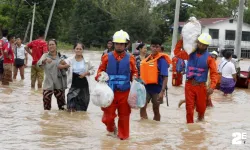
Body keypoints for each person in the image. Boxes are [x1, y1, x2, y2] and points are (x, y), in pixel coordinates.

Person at [95, 30, 138, 140]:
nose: (119, 46)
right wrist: (100, 76)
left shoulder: (131, 58)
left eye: (121, 44)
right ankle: (111, 128)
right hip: (109, 93)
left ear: (126, 44)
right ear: (114, 44)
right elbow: (99, 72)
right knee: (107, 118)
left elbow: (135, 72)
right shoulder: (106, 57)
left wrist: (135, 78)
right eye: (117, 43)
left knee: (124, 117)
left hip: (125, 93)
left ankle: (123, 140)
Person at [174, 33, 217, 123]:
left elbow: (214, 74)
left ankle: (200, 126)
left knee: (201, 109)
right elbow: (177, 53)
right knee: (189, 109)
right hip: (189, 85)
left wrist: (212, 87)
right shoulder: (189, 53)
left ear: (206, 46)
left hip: (201, 87)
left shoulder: (210, 58)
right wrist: (181, 40)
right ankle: (190, 128)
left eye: (203, 45)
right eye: (200, 43)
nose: (201, 46)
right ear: (197, 42)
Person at [140, 39, 171, 121]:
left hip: (157, 89)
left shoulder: (162, 61)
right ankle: (145, 127)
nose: (154, 49)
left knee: (156, 109)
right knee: (142, 106)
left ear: (160, 48)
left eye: (157, 47)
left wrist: (162, 92)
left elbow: (165, 77)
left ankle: (156, 127)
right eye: (153, 46)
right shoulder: (148, 58)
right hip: (146, 87)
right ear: (150, 47)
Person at [58, 43, 95, 112]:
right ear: (74, 50)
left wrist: (86, 73)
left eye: (80, 49)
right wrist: (64, 65)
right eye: (77, 49)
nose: (78, 50)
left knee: (82, 107)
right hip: (73, 84)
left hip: (84, 85)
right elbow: (59, 65)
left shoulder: (86, 60)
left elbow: (93, 69)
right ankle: (71, 120)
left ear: (83, 50)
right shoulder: (70, 60)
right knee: (70, 102)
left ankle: (80, 121)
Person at [37, 39, 67, 110]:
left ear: (56, 45)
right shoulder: (45, 55)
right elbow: (38, 64)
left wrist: (64, 65)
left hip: (59, 83)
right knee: (46, 108)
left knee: (62, 107)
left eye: (52, 44)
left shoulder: (61, 56)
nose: (51, 46)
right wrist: (44, 61)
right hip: (48, 83)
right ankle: (47, 120)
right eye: (49, 45)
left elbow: (68, 67)